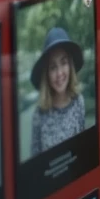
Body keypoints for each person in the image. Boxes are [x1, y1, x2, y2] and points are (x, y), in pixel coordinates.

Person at [29, 27, 86, 156]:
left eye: (63, 63)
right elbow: (35, 162)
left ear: (70, 66)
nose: (59, 73)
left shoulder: (79, 102)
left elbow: (84, 148)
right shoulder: (39, 115)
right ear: (46, 74)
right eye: (53, 67)